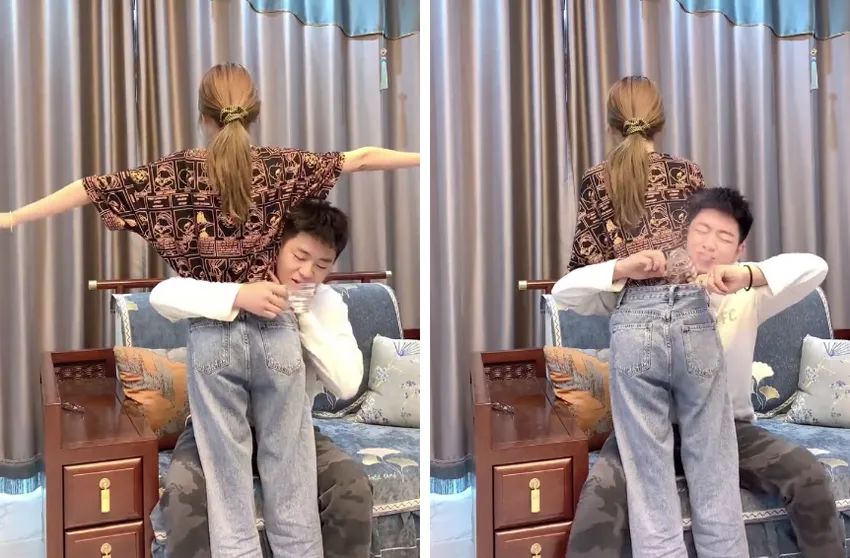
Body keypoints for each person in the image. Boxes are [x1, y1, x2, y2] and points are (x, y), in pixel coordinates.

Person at [0, 63, 418, 557]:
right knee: (293, 476)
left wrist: (13, 217)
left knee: (227, 483)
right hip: (277, 332)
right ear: (254, 112)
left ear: (203, 115)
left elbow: (90, 188)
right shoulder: (281, 167)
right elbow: (362, 158)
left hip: (214, 340)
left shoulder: (174, 173)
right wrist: (425, 157)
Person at [555, 187, 843, 558]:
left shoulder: (749, 294)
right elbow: (563, 292)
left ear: (740, 249)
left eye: (724, 237)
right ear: (683, 234)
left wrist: (747, 275)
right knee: (598, 501)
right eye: (701, 231)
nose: (709, 244)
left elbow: (815, 267)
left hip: (730, 430)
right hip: (646, 431)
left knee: (808, 474)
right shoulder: (641, 291)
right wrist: (623, 268)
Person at [564, 75, 747, 556]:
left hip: (635, 325)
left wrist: (627, 266)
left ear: (611, 123)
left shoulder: (597, 180)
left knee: (649, 480)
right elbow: (709, 255)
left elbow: (580, 271)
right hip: (693, 318)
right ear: (659, 120)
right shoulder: (688, 173)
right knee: (715, 469)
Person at [150, 200, 373, 558]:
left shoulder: (325, 302)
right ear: (276, 243)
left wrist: (300, 316)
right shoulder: (231, 273)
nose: (307, 272)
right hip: (214, 429)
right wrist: (239, 295)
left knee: (351, 487)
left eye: (322, 265)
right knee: (182, 494)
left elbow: (347, 384)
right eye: (299, 256)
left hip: (292, 429)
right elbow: (162, 295)